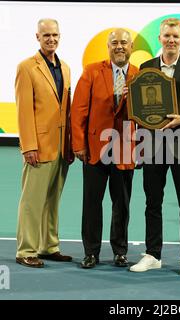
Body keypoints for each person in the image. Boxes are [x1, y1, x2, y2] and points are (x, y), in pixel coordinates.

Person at [130, 18, 180, 276]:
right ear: (160, 39)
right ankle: (153, 254)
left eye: (175, 36)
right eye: (166, 36)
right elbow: (140, 106)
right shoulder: (146, 67)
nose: (171, 40)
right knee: (153, 201)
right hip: (152, 145)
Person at [71, 28, 138, 269]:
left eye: (124, 43)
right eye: (114, 43)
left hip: (125, 151)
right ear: (108, 48)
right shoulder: (91, 71)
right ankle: (91, 252)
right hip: (94, 150)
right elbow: (78, 111)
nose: (119, 47)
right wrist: (78, 144)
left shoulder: (141, 75)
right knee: (92, 203)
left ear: (131, 47)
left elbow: (145, 120)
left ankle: (120, 251)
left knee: (122, 204)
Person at [15, 19, 73, 268]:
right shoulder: (26, 67)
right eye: (46, 35)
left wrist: (70, 144)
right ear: (37, 37)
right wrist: (28, 145)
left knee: (52, 199)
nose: (51, 39)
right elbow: (23, 110)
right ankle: (26, 250)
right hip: (38, 146)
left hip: (61, 146)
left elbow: (67, 110)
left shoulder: (66, 67)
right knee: (32, 201)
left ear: (60, 36)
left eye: (55, 35)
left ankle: (49, 246)